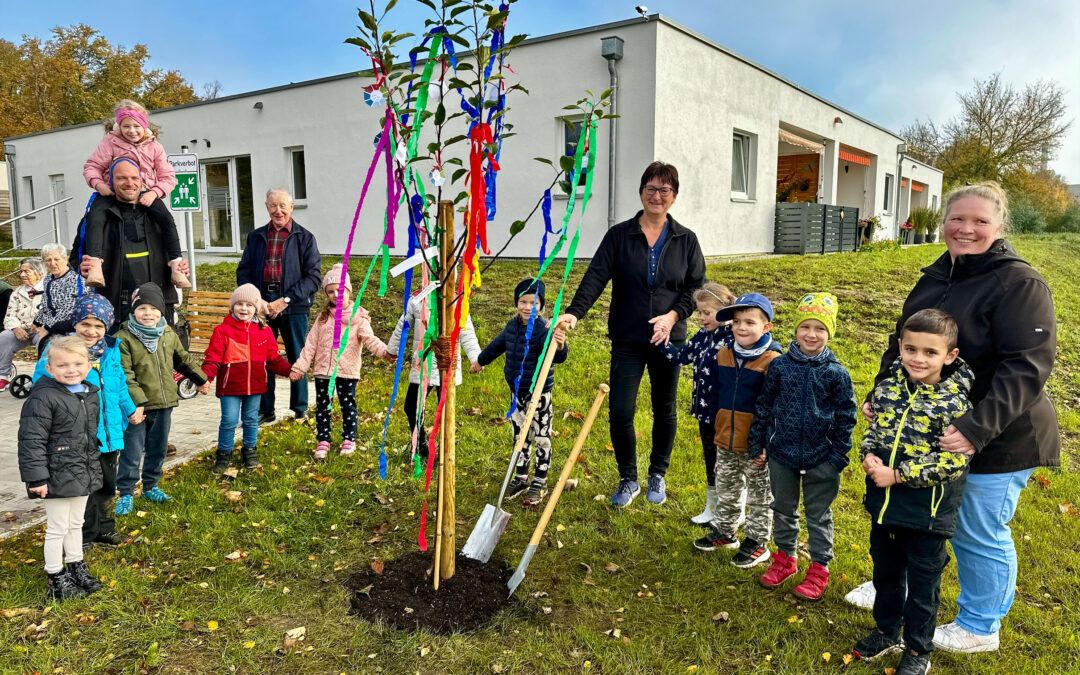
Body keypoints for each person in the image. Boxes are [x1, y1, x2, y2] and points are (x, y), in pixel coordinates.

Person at [847, 182, 1059, 655]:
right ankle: (893, 590)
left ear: (1000, 226)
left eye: (980, 221)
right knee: (911, 511)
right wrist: (880, 392)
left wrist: (975, 428)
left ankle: (980, 625)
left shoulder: (1019, 283)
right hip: (927, 423)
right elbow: (902, 339)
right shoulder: (939, 274)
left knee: (976, 528)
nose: (966, 229)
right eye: (957, 219)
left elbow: (1027, 366)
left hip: (1001, 433)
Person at [558, 161, 706, 508]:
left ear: (674, 196)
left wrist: (671, 317)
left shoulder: (686, 240)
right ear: (641, 192)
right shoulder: (619, 235)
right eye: (651, 189)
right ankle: (628, 478)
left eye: (664, 190)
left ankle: (658, 473)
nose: (657, 195)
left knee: (664, 408)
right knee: (621, 411)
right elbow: (595, 276)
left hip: (668, 340)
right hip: (627, 337)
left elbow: (695, 289)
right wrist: (574, 313)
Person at [852, 309, 974, 674]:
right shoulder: (889, 386)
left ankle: (918, 650)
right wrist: (869, 456)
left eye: (929, 352)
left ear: (949, 356)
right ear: (900, 348)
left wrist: (898, 475)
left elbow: (954, 461)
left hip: (928, 514)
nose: (918, 359)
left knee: (923, 586)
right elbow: (876, 428)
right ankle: (888, 630)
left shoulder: (955, 402)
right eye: (910, 349)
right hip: (885, 507)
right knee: (886, 576)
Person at [749, 292, 856, 601]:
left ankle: (819, 567)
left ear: (830, 332)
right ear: (795, 329)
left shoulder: (837, 374)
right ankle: (785, 559)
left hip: (821, 458)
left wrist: (836, 457)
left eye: (820, 328)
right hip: (781, 454)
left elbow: (846, 418)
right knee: (783, 508)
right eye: (805, 327)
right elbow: (765, 407)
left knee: (818, 514)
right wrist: (759, 443)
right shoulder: (781, 366)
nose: (811, 334)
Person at [32, 293, 140, 549]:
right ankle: (83, 535)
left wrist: (131, 408)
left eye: (98, 325)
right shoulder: (58, 350)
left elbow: (120, 384)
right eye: (85, 324)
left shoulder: (112, 349)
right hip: (78, 433)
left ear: (107, 326)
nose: (91, 331)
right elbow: (41, 385)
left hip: (109, 430)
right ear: (75, 323)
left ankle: (102, 527)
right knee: (84, 486)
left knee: (105, 482)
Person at [692, 293, 782, 569]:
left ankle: (757, 541)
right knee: (727, 487)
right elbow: (719, 393)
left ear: (765, 327)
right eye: (737, 322)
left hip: (756, 445)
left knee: (760, 494)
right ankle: (725, 530)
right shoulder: (724, 354)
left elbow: (776, 407)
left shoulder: (774, 361)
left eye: (750, 322)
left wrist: (766, 443)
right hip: (725, 438)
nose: (742, 328)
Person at [17, 336, 104, 601]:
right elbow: (31, 440)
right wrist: (37, 478)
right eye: (63, 365)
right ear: (50, 369)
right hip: (54, 474)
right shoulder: (43, 398)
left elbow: (88, 435)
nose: (71, 370)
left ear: (89, 366)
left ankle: (76, 565)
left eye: (78, 363)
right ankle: (56, 576)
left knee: (76, 522)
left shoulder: (89, 394)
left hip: (81, 470)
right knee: (57, 527)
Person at [114, 283, 208, 514]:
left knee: (157, 448)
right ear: (133, 310)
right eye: (142, 308)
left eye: (154, 308)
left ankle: (151, 485)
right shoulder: (123, 338)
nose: (148, 313)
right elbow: (124, 374)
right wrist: (137, 403)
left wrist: (200, 379)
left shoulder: (167, 333)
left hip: (164, 403)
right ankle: (126, 492)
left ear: (161, 311)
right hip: (136, 409)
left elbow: (182, 359)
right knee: (132, 451)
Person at [474, 279, 569, 506]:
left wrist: (561, 344)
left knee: (542, 435)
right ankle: (521, 476)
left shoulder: (545, 329)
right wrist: (480, 361)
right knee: (520, 436)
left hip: (540, 395)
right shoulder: (511, 326)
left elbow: (559, 357)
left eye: (534, 302)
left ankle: (540, 481)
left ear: (541, 306)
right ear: (516, 302)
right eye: (523, 301)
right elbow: (497, 346)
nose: (528, 307)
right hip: (517, 394)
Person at [81, 99, 189, 289]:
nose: (131, 131)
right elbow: (93, 166)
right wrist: (100, 186)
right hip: (111, 192)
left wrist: (155, 192)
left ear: (144, 125)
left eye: (136, 126)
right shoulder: (111, 141)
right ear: (118, 126)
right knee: (95, 218)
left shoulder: (154, 146)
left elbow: (168, 176)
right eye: (126, 126)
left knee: (167, 221)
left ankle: (176, 265)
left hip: (146, 191)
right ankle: (95, 264)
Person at [236, 188, 322, 423]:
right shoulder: (255, 237)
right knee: (263, 358)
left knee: (298, 356)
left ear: (291, 207)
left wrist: (285, 300)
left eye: (283, 205)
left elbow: (313, 278)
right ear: (266, 207)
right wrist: (257, 301)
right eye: (273, 206)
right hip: (261, 307)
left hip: (293, 307)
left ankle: (300, 407)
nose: (278, 211)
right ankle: (266, 410)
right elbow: (243, 272)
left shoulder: (305, 237)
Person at [69, 159, 190, 326]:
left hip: (157, 309)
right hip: (115, 308)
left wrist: (180, 265)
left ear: (142, 180)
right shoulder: (96, 219)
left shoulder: (157, 216)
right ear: (111, 181)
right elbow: (75, 259)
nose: (129, 183)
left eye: (135, 178)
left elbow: (173, 251)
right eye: (122, 178)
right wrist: (80, 269)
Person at [289, 264, 387, 459]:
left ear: (348, 291)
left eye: (340, 290)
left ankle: (349, 439)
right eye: (331, 291)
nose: (336, 295)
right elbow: (310, 344)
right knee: (323, 406)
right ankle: (323, 440)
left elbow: (370, 339)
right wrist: (300, 367)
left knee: (347, 404)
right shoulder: (323, 318)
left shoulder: (358, 317)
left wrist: (386, 352)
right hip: (323, 371)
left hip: (346, 370)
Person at [660, 282, 735, 524]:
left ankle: (733, 510)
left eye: (707, 312)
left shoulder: (735, 339)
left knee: (729, 465)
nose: (702, 318)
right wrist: (663, 341)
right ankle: (712, 508)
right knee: (711, 459)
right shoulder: (703, 335)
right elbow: (682, 357)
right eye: (699, 312)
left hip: (728, 414)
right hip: (705, 412)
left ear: (724, 310)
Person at [202, 284, 293, 473]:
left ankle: (249, 450)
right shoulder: (222, 331)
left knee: (251, 419)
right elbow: (213, 357)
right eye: (240, 304)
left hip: (256, 386)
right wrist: (206, 378)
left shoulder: (264, 331)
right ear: (232, 307)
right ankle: (223, 454)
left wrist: (291, 371)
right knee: (229, 420)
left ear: (257, 308)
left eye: (249, 305)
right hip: (230, 387)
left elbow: (273, 358)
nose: (244, 308)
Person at [386, 289, 482, 463]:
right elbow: (403, 325)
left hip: (447, 366)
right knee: (411, 406)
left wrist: (477, 358)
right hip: (422, 364)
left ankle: (445, 451)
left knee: (445, 410)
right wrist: (392, 350)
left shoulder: (457, 302)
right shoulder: (417, 300)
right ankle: (420, 443)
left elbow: (466, 333)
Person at [0, 257, 46, 391]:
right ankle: (2, 376)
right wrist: (16, 328)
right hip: (22, 330)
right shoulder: (17, 292)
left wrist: (42, 326)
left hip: (42, 329)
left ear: (39, 273)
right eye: (21, 272)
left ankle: (44, 375)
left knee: (45, 340)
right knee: (4, 337)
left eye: (26, 271)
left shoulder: (49, 289)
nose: (22, 275)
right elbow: (9, 315)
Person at [33, 244, 80, 346]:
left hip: (70, 323)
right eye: (48, 260)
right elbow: (45, 305)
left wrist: (47, 328)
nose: (52, 263)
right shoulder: (48, 279)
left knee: (44, 342)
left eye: (56, 259)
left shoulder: (74, 280)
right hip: (52, 322)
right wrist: (36, 322)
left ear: (65, 260)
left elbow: (68, 310)